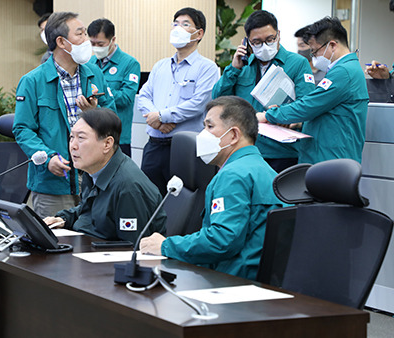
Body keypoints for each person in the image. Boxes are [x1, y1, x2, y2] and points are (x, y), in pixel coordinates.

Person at [139, 96, 284, 280]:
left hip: (232, 281)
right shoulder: (263, 169)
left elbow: (221, 240)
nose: (202, 134)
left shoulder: (233, 175)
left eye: (210, 126)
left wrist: (165, 246)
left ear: (233, 135)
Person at [13, 12, 116, 218]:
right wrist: (48, 157)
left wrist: (93, 114)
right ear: (61, 42)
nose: (87, 40)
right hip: (53, 181)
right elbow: (23, 129)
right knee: (54, 243)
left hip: (94, 179)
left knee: (90, 241)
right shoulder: (33, 81)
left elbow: (113, 119)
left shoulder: (94, 74)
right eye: (80, 34)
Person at [212, 10, 315, 173]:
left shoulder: (297, 64)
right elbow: (217, 101)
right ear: (247, 42)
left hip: (280, 153)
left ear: (278, 35)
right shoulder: (242, 67)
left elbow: (307, 105)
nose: (265, 46)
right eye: (257, 42)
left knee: (275, 197)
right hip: (244, 150)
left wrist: (288, 117)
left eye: (270, 39)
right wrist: (233, 69)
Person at [257, 17, 368, 164]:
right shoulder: (344, 70)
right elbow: (325, 112)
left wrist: (269, 115)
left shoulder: (344, 72)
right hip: (327, 157)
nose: (313, 57)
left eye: (315, 51)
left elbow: (308, 105)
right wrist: (296, 123)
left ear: (332, 45)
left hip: (332, 159)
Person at [44, 108, 166, 242]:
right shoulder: (93, 170)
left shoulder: (128, 187)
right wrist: (63, 219)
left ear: (107, 144)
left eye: (81, 138)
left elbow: (132, 247)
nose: (73, 145)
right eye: (71, 137)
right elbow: (91, 210)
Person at [138, 7, 219, 195]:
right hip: (154, 144)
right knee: (148, 197)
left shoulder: (207, 68)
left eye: (185, 24)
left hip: (184, 148)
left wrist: (161, 116)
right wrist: (157, 122)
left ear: (199, 33)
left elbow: (199, 103)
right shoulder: (160, 66)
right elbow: (144, 96)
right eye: (175, 24)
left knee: (182, 200)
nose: (177, 28)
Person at [87, 18, 141, 157]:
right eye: (92, 43)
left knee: (119, 177)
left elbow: (126, 98)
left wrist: (102, 93)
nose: (96, 47)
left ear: (112, 40)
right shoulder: (90, 63)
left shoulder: (130, 63)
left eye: (100, 44)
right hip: (93, 132)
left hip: (118, 135)